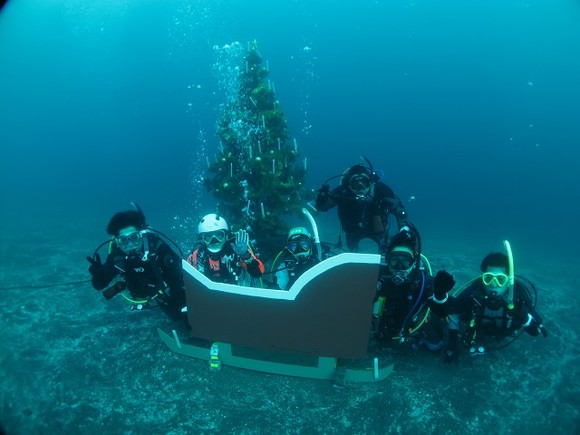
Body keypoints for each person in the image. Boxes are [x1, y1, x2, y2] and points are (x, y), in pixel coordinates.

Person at [428, 252, 547, 363]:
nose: (494, 284)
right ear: (483, 278)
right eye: (488, 278)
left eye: (501, 279)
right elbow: (453, 313)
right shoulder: (473, 293)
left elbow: (535, 332)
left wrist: (522, 314)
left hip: (504, 332)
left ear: (509, 280)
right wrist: (452, 345)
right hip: (478, 328)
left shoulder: (519, 298)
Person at [86, 205, 186, 320]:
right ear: (117, 242)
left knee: (180, 315)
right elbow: (99, 285)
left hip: (168, 292)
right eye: (123, 240)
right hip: (149, 294)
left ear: (141, 236)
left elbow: (182, 278)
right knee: (175, 316)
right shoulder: (117, 257)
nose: (130, 245)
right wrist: (98, 274)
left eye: (134, 237)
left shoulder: (159, 249)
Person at [373, 228, 445, 351]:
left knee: (435, 345)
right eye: (395, 260)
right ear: (388, 260)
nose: (399, 267)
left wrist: (441, 296)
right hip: (384, 325)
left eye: (405, 261)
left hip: (413, 325)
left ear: (413, 262)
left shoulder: (424, 281)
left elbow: (442, 309)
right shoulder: (377, 277)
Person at [314, 158, 409, 252]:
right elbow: (323, 207)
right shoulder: (343, 192)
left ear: (370, 182)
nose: (360, 187)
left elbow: (399, 209)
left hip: (378, 233)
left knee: (384, 249)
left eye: (364, 182)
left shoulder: (381, 190)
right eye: (355, 184)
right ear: (349, 185)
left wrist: (403, 228)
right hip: (353, 233)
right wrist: (321, 199)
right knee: (353, 249)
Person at [186, 213, 265, 285]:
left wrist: (246, 256)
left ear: (226, 235)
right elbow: (187, 279)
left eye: (219, 235)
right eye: (208, 236)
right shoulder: (197, 256)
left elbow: (258, 273)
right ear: (202, 239)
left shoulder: (238, 251)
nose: (214, 240)